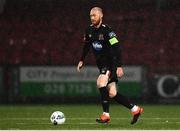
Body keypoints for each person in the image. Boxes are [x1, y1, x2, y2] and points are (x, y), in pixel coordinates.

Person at [77, 7, 143, 125]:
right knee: (112, 93)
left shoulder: (108, 31)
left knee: (100, 82)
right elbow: (87, 45)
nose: (92, 18)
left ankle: (106, 115)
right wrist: (82, 60)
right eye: (91, 16)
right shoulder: (88, 30)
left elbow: (117, 48)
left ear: (101, 16)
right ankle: (135, 109)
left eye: (95, 15)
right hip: (101, 64)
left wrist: (119, 66)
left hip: (110, 64)